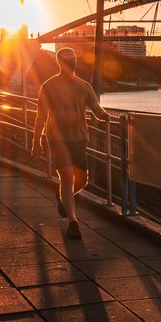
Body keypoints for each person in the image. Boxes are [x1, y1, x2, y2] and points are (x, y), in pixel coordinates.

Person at [31, 47, 108, 239]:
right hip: (56, 138)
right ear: (59, 61)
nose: (70, 61)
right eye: (66, 58)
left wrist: (105, 115)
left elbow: (96, 107)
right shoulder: (48, 86)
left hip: (79, 137)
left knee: (82, 179)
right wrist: (36, 140)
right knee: (67, 177)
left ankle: (62, 199)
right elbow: (41, 116)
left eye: (72, 57)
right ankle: (73, 223)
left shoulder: (84, 86)